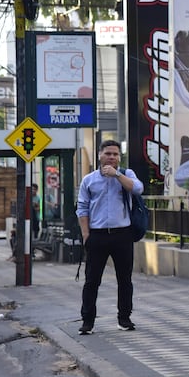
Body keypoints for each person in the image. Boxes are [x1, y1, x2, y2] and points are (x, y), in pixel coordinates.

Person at [76, 139, 144, 335]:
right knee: (92, 280)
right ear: (100, 155)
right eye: (108, 153)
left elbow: (137, 189)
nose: (112, 157)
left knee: (124, 279)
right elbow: (82, 208)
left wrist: (117, 175)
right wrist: (86, 234)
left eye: (115, 154)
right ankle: (87, 320)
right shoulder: (89, 180)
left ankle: (124, 318)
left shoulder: (127, 174)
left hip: (122, 234)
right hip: (97, 235)